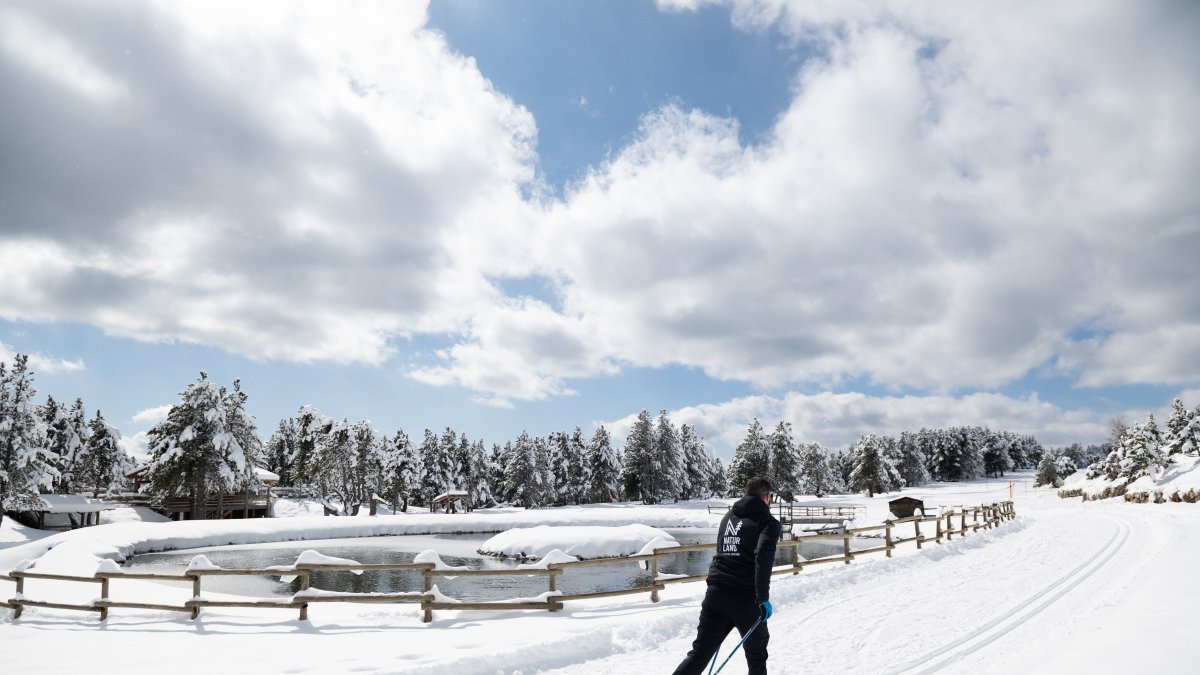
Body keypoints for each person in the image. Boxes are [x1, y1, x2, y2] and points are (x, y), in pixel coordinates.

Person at [673, 476, 781, 675]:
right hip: (746, 598)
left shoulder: (729, 516)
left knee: (699, 654)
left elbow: (721, 552)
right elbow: (762, 559)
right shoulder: (768, 522)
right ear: (767, 497)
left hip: (716, 594)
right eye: (772, 498)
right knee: (757, 658)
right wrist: (763, 599)